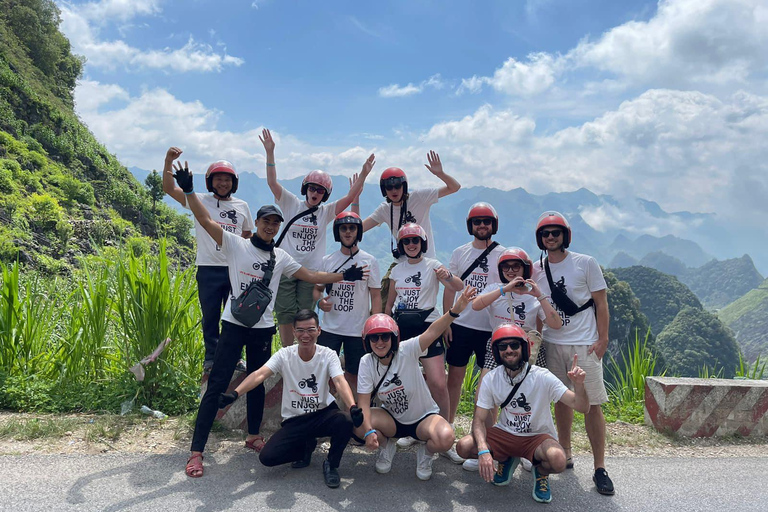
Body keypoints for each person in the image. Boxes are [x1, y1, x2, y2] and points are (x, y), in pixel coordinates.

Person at [173, 163, 369, 479]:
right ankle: (196, 452)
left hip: (263, 328)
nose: (270, 226)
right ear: (259, 223)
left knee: (258, 380)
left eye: (275, 223)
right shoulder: (236, 244)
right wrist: (189, 190)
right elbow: (205, 220)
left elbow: (312, 275)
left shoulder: (281, 258)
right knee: (217, 386)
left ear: (279, 227)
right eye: (266, 221)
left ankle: (252, 435)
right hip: (235, 324)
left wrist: (343, 275)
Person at [218, 309, 364, 488]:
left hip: (323, 413)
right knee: (267, 458)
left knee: (346, 420)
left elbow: (340, 381)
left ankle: (331, 464)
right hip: (295, 419)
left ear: (319, 330)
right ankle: (305, 449)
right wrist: (234, 394)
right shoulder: (285, 354)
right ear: (294, 332)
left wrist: (352, 406)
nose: (305, 335)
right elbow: (259, 374)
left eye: (310, 330)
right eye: (300, 330)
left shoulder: (328, 354)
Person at [260, 128, 374, 348]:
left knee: (305, 314)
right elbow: (272, 183)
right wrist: (270, 153)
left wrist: (363, 174)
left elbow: (350, 197)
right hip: (285, 268)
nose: (315, 193)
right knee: (284, 313)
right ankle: (287, 352)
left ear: (325, 195)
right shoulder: (291, 203)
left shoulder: (325, 212)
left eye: (320, 191)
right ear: (305, 189)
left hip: (311, 273)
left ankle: (305, 351)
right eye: (312, 188)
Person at [456, 324, 589, 503]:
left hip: (537, 437)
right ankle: (506, 459)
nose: (509, 350)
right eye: (503, 347)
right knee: (464, 447)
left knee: (558, 461)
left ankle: (540, 473)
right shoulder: (492, 378)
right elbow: (479, 420)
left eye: (514, 345)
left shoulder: (542, 376)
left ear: (524, 348)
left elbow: (581, 406)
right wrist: (483, 450)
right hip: (505, 433)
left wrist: (579, 386)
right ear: (497, 352)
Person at [531, 211, 614, 496]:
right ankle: (565, 452)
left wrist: (602, 339)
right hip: (553, 343)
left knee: (591, 405)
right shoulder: (536, 268)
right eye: (545, 233)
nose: (551, 237)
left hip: (584, 344)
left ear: (565, 235)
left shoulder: (585, 263)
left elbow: (601, 303)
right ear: (540, 239)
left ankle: (600, 467)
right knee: (561, 401)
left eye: (555, 232)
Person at [356, 286, 477, 480]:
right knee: (358, 423)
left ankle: (426, 453)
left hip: (423, 418)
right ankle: (387, 447)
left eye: (385, 336)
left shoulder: (407, 350)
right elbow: (363, 403)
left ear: (394, 338)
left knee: (446, 438)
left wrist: (455, 310)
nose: (380, 342)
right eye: (374, 337)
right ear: (367, 341)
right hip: (392, 419)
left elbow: (432, 331)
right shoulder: (366, 362)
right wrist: (369, 431)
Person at [463, 247, 562, 472]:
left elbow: (555, 323)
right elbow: (476, 304)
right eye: (506, 267)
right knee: (483, 397)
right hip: (497, 347)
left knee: (533, 397)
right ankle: (485, 447)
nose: (510, 270)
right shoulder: (494, 289)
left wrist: (540, 296)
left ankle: (531, 448)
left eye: (515, 266)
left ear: (525, 268)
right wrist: (503, 289)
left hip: (528, 350)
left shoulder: (533, 294)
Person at [162, 147, 254, 372]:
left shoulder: (242, 206)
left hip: (235, 268)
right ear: (210, 182)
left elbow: (247, 235)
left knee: (235, 315)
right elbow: (168, 188)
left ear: (234, 183)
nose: (223, 183)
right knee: (210, 316)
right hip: (208, 268)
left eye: (227, 180)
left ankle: (236, 357)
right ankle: (211, 358)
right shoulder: (198, 199)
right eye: (218, 179)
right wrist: (168, 161)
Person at [442, 202, 506, 463]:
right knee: (453, 380)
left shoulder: (503, 254)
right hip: (461, 325)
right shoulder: (460, 253)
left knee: (489, 387)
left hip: (491, 329)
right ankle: (447, 432)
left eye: (486, 221)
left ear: (493, 225)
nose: (482, 226)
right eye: (477, 222)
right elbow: (449, 287)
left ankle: (484, 441)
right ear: (471, 226)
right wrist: (447, 320)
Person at [356, 151, 461, 306]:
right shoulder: (385, 209)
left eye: (397, 186)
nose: (394, 190)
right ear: (384, 190)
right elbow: (356, 229)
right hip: (401, 263)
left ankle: (445, 323)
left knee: (426, 301)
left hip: (427, 261)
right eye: (389, 187)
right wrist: (358, 190)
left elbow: (454, 187)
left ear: (404, 186)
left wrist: (440, 173)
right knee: (385, 302)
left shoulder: (419, 197)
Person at [385, 223, 463, 431]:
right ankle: (410, 426)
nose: (411, 244)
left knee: (437, 382)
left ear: (423, 243)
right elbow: (389, 304)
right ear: (401, 245)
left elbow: (458, 287)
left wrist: (447, 275)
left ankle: (445, 429)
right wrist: (385, 327)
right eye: (406, 241)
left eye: (415, 240)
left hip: (428, 325)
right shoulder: (396, 271)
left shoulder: (433, 265)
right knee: (404, 382)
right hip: (402, 327)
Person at [314, 211, 382, 399]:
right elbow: (317, 289)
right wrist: (320, 302)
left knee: (356, 375)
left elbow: (375, 295)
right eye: (343, 228)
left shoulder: (369, 261)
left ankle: (354, 415)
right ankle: (325, 413)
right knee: (325, 372)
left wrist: (374, 326)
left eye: (352, 228)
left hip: (357, 330)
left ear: (358, 232)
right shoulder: (328, 261)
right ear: (337, 232)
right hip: (330, 328)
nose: (348, 232)